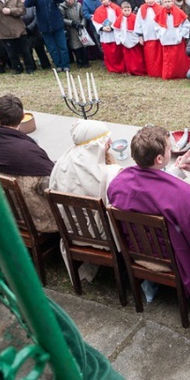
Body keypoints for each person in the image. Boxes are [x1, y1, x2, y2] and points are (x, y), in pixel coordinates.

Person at [107, 126, 190, 313]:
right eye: (169, 148)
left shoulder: (118, 183)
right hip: (169, 256)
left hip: (137, 251)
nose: (171, 150)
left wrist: (176, 167)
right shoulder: (182, 195)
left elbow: (152, 185)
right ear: (159, 159)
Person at [49, 120, 122, 285]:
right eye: (106, 140)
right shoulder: (108, 174)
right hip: (103, 236)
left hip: (71, 232)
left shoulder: (60, 166)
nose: (110, 143)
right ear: (95, 146)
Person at [0, 94, 56, 233]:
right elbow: (53, 183)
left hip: (0, 214)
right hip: (39, 221)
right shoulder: (30, 152)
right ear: (22, 117)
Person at [24, 0, 70, 71]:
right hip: (44, 27)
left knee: (62, 46)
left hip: (57, 24)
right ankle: (58, 65)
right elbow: (27, 4)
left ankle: (65, 65)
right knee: (52, 48)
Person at [155, 0, 190, 80]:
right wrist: (160, 35)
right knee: (167, 58)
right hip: (165, 38)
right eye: (165, 2)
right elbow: (156, 26)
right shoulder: (160, 13)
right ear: (162, 3)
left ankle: (179, 74)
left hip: (176, 38)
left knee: (178, 58)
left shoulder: (179, 12)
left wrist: (181, 35)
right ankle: (168, 74)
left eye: (169, 1)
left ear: (173, 2)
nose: (167, 3)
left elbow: (186, 24)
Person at [92, 0, 123, 73]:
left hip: (115, 33)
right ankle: (111, 67)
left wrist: (113, 27)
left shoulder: (115, 8)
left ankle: (120, 67)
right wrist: (102, 28)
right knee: (108, 52)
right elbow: (95, 22)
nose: (103, 2)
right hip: (105, 34)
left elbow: (120, 18)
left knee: (117, 52)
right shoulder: (98, 10)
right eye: (101, 1)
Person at [113, 1, 146, 75]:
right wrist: (120, 39)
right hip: (125, 39)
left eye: (128, 10)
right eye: (125, 10)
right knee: (128, 57)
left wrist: (138, 37)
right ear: (122, 10)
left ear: (131, 9)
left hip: (134, 40)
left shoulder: (135, 17)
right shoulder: (119, 19)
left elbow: (138, 27)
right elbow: (117, 30)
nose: (127, 12)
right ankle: (130, 70)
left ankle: (138, 70)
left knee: (137, 56)